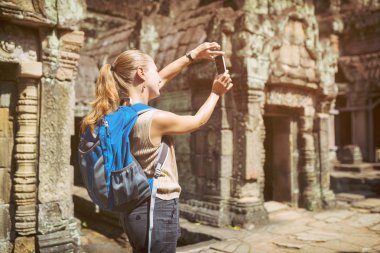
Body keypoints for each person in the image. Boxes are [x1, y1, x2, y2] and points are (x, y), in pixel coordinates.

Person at [80, 42, 233, 252]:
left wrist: (192, 56)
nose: (159, 77)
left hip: (137, 209)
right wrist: (216, 92)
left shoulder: (121, 113)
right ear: (141, 74)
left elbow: (160, 79)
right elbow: (197, 120)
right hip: (156, 207)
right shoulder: (154, 119)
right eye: (154, 70)